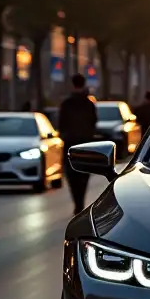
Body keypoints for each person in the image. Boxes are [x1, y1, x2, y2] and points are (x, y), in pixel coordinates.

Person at [58, 73, 98, 214]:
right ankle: (80, 201)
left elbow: (61, 124)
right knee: (84, 174)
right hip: (86, 143)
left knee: (71, 174)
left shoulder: (66, 104)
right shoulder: (89, 104)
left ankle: (77, 202)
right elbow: (94, 122)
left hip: (70, 143)